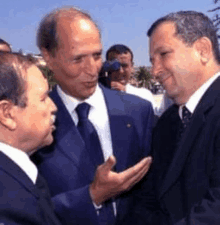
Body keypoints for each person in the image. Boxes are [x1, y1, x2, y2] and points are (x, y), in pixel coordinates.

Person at [31, 6, 154, 225]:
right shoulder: (29, 124)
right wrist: (91, 196)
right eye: (77, 59)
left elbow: (155, 193)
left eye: (97, 55)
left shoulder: (139, 111)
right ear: (48, 57)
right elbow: (26, 209)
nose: (92, 70)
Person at [126, 10, 220, 225]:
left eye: (164, 54)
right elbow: (149, 197)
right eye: (152, 60)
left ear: (203, 50)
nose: (154, 70)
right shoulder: (168, 122)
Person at [0, 52, 61, 224]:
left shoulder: (16, 176)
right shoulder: (7, 201)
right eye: (43, 99)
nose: (53, 107)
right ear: (7, 114)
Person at [105, 44, 156, 112]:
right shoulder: (97, 95)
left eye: (124, 66)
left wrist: (125, 94)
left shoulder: (144, 95)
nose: (120, 71)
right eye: (115, 66)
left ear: (131, 66)